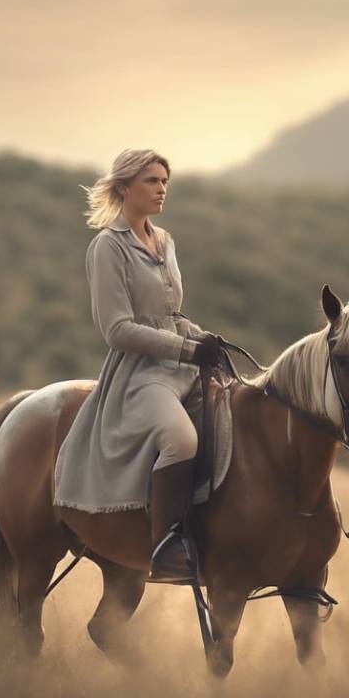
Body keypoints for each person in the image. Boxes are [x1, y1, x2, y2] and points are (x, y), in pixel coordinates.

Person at [52, 148, 224, 584]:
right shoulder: (107, 247)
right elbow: (118, 330)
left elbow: (172, 313)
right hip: (142, 374)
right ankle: (166, 549)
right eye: (151, 180)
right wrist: (186, 350)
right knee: (181, 440)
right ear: (125, 187)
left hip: (183, 365)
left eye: (165, 180)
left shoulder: (165, 241)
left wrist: (203, 337)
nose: (162, 189)